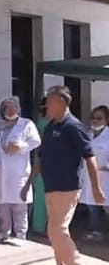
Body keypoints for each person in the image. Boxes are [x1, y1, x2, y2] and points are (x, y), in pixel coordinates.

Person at [33, 86, 106, 264]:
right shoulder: (51, 127)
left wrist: (96, 188)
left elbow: (89, 157)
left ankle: (75, 262)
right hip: (51, 187)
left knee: (59, 230)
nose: (46, 107)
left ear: (61, 102)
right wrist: (30, 182)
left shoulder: (73, 126)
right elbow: (42, 156)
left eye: (49, 102)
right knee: (54, 232)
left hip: (68, 188)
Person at [0, 97, 41, 242]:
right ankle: (4, 230)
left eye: (12, 107)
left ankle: (20, 234)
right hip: (1, 171)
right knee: (2, 203)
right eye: (6, 107)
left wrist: (21, 146)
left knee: (19, 204)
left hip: (18, 171)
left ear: (19, 109)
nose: (9, 110)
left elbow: (36, 141)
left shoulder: (26, 124)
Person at [79, 106, 109, 241]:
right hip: (89, 175)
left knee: (107, 207)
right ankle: (97, 231)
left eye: (99, 118)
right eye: (94, 118)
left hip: (105, 176)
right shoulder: (87, 134)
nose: (96, 121)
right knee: (92, 205)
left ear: (106, 120)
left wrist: (106, 167)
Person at [32, 97, 49, 235]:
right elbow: (39, 143)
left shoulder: (63, 122)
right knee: (40, 196)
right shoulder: (41, 122)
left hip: (59, 162)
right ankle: (39, 227)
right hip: (43, 159)